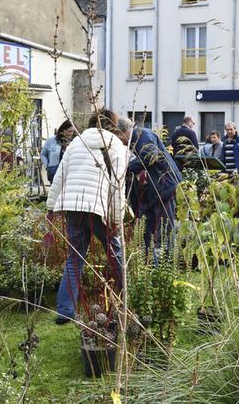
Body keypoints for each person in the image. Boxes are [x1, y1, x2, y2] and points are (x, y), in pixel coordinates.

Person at [46, 110, 127, 324]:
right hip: (97, 208)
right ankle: (129, 299)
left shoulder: (76, 143)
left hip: (72, 206)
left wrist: (50, 206)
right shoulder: (115, 145)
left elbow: (60, 177)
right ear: (113, 126)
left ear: (91, 124)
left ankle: (64, 311)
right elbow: (118, 186)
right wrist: (116, 219)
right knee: (115, 252)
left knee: (75, 258)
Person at [118, 116, 182, 253]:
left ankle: (165, 260)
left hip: (164, 186)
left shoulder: (142, 135)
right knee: (147, 225)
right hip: (154, 189)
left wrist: (127, 168)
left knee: (164, 228)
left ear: (121, 133)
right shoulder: (136, 139)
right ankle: (149, 258)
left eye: (117, 137)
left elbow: (150, 156)